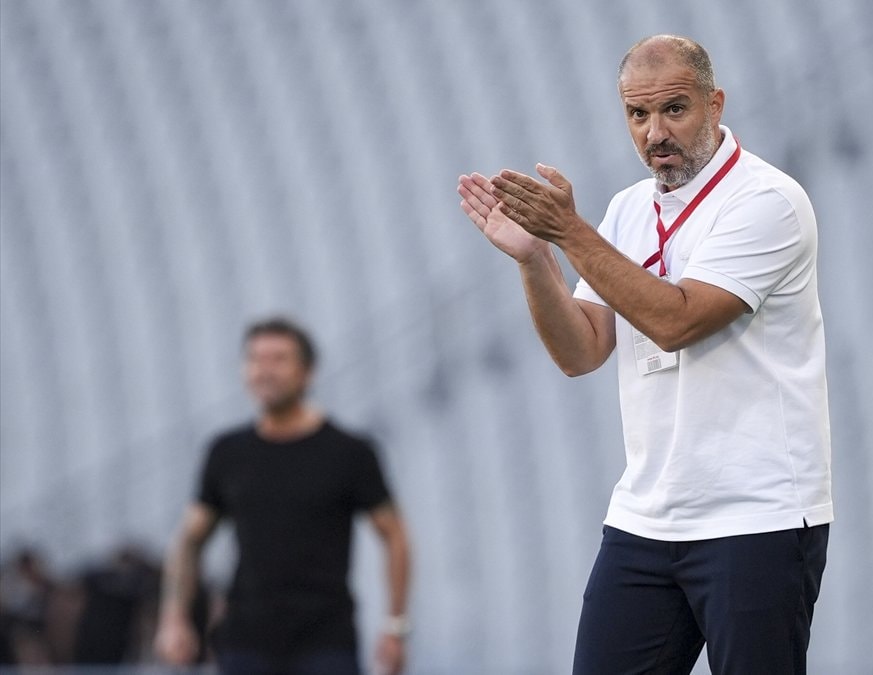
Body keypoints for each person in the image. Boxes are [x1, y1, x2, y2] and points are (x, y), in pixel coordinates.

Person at [458, 34, 832, 674]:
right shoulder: (628, 209)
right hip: (647, 517)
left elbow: (675, 322)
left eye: (674, 109)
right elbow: (581, 350)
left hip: (757, 515)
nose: (655, 132)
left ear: (715, 104)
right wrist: (536, 257)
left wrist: (568, 232)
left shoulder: (767, 200)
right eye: (638, 114)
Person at [154, 317, 412, 675]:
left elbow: (395, 536)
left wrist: (396, 627)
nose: (265, 371)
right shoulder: (227, 452)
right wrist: (174, 617)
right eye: (255, 359)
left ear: (307, 372)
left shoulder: (348, 452)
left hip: (325, 641)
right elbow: (190, 539)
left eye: (279, 359)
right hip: (245, 642)